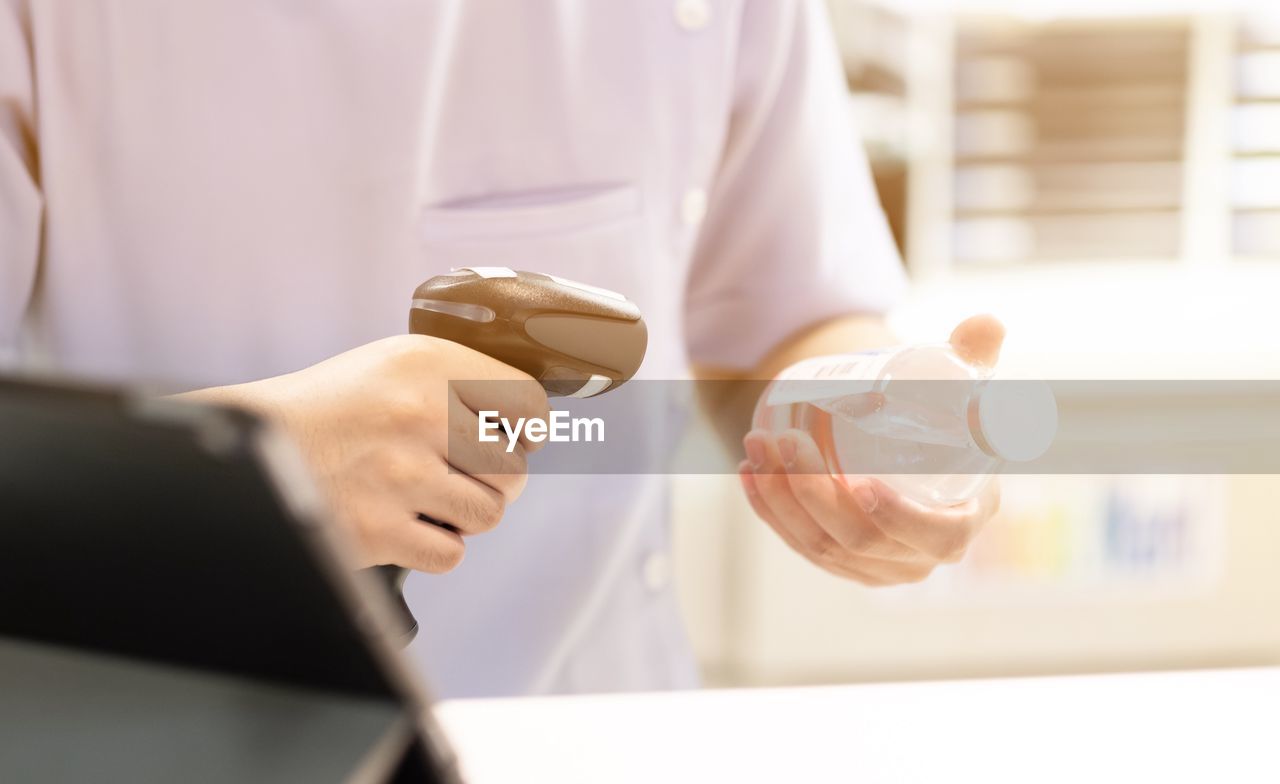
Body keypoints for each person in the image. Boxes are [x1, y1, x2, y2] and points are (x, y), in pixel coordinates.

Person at [0, 0, 1001, 696]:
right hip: (195, 741)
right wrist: (247, 473)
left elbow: (788, 308)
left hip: (597, 738)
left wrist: (856, 427)